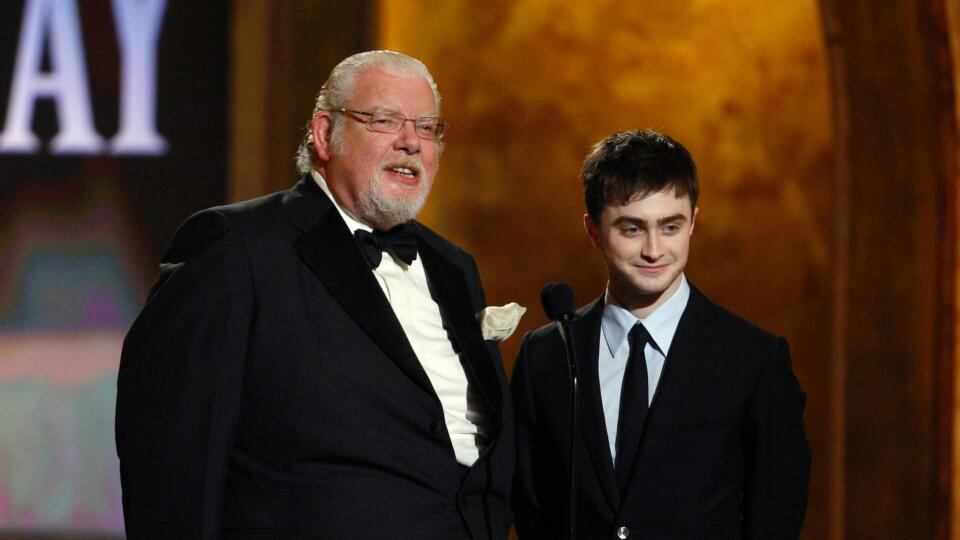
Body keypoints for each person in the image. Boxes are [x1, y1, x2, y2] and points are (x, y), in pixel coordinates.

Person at [116, 50, 514, 539]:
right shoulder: (236, 247)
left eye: (428, 128)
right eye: (385, 120)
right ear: (325, 133)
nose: (411, 142)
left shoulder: (455, 267)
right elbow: (169, 451)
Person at [512, 130, 810, 539]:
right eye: (632, 229)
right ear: (593, 230)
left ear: (693, 223)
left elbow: (775, 519)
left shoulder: (753, 360)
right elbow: (529, 508)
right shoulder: (545, 356)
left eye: (670, 227)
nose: (654, 250)